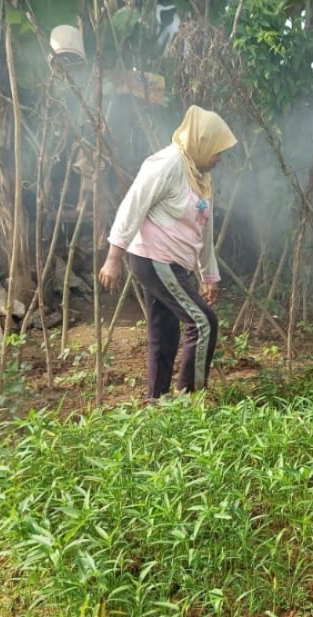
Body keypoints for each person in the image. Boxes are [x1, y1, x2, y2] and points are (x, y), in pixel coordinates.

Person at [99, 105, 237, 399]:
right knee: (203, 322)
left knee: (165, 334)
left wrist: (209, 275)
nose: (219, 158)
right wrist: (114, 257)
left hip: (174, 263)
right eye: (217, 150)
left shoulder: (200, 175)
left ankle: (157, 402)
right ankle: (190, 400)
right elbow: (133, 204)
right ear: (202, 141)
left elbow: (204, 228)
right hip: (154, 259)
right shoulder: (168, 163)